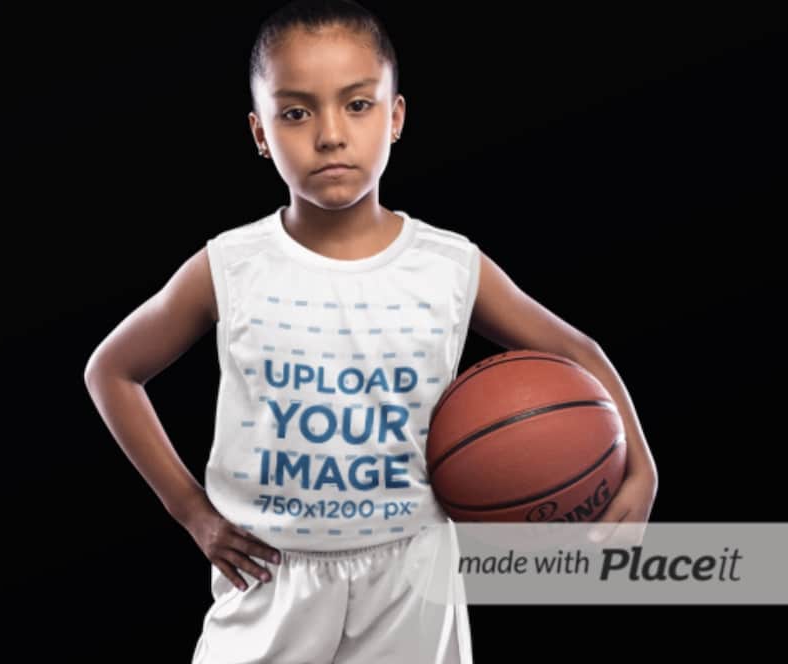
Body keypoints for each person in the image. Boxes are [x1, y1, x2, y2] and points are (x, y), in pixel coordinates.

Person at [83, 1, 658, 662]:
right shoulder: (232, 265)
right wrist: (194, 513)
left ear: (396, 116)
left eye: (357, 105)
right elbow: (112, 370)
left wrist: (641, 465)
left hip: (412, 573)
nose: (330, 135)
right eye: (296, 112)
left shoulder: (448, 264)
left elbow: (574, 350)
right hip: (273, 573)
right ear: (260, 133)